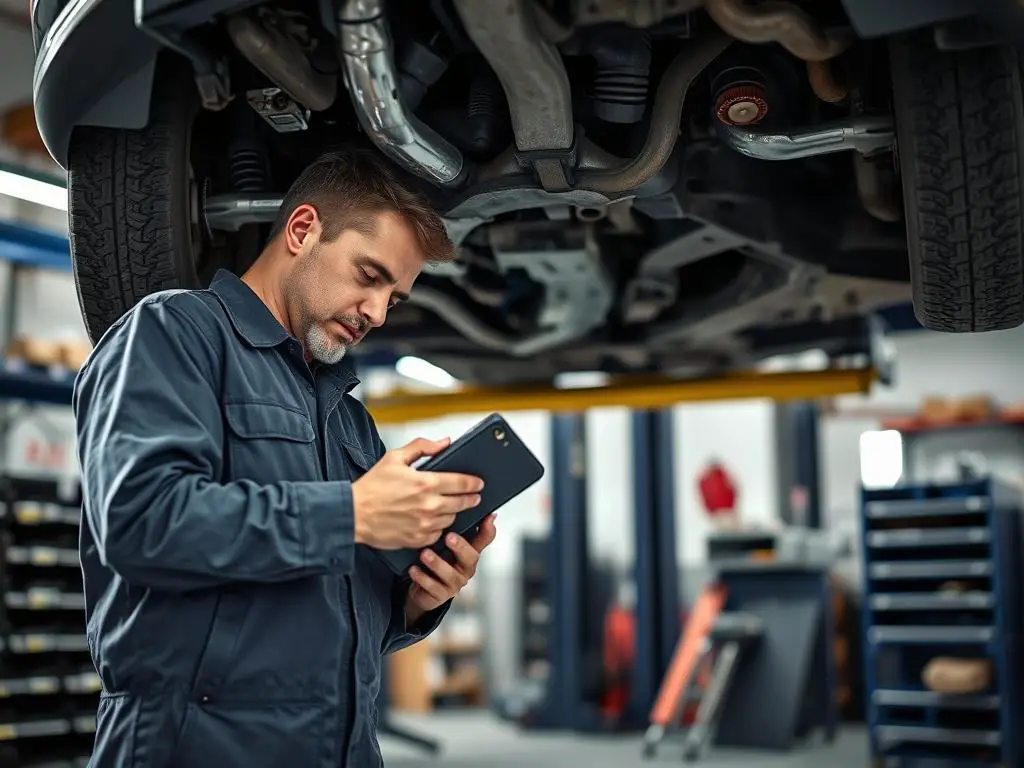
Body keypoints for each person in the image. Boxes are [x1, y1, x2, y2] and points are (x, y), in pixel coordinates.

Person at [73, 148, 496, 767]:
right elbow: (141, 522)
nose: (377, 313)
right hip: (194, 746)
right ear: (302, 231)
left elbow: (339, 609)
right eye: (369, 275)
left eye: (395, 298)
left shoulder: (347, 414)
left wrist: (417, 599)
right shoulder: (175, 334)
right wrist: (349, 513)